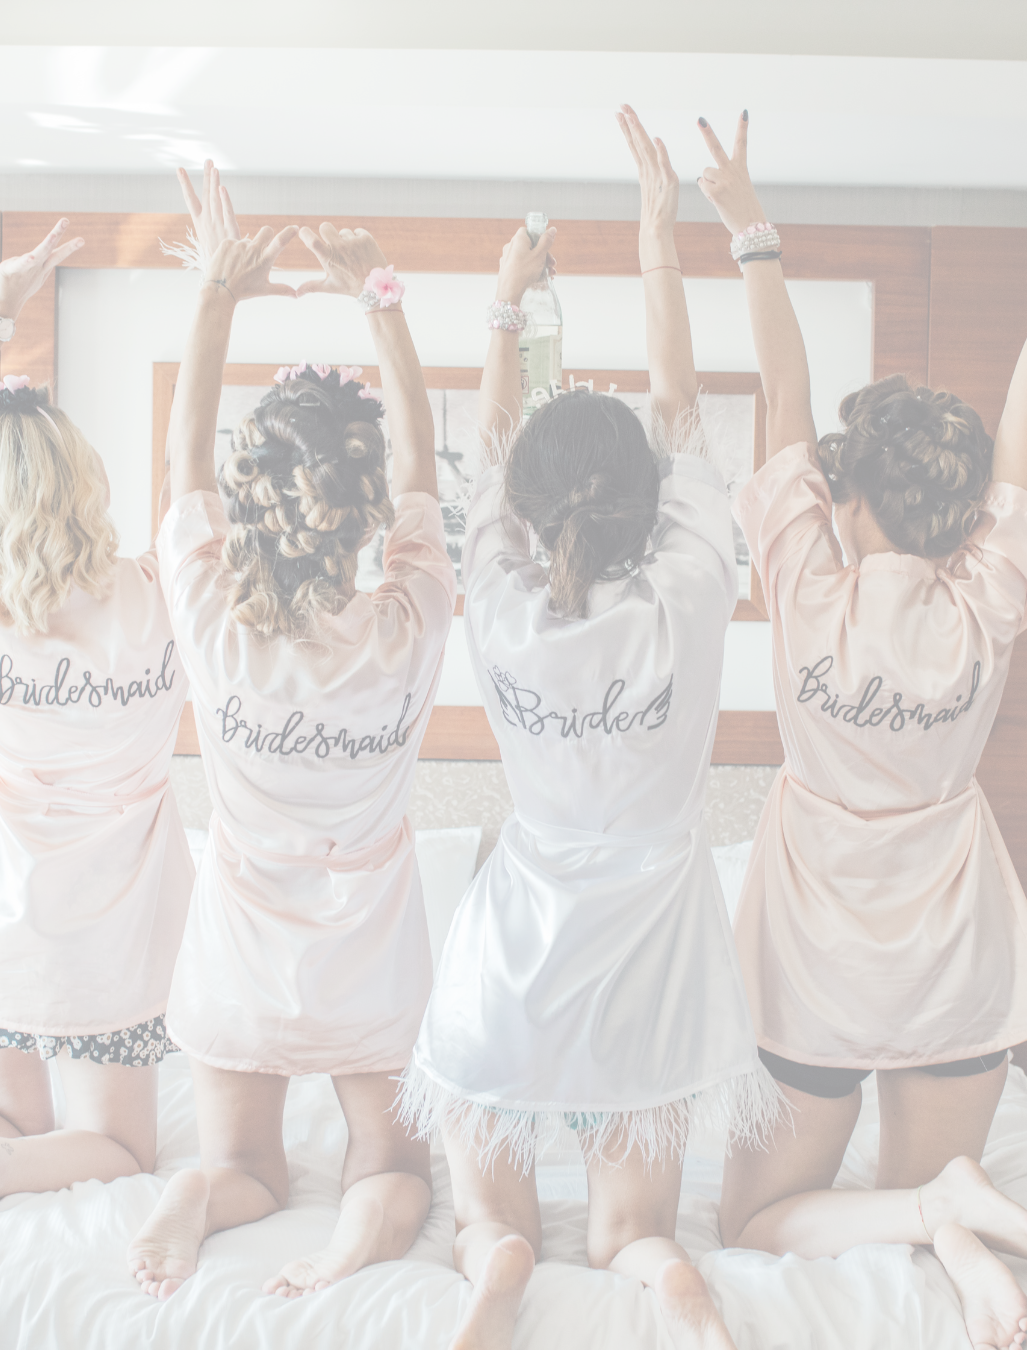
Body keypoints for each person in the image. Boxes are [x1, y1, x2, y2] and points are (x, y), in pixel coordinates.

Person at [398, 108, 778, 1350]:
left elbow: (489, 457)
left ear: (529, 510)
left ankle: (495, 1263)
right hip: (655, 951)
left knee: (482, 1211)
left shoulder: (499, 609)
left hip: (515, 949)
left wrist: (507, 303)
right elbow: (678, 402)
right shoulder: (690, 594)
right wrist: (660, 239)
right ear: (656, 505)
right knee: (632, 1229)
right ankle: (664, 1276)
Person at [696, 111, 1027, 1350]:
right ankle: (960, 1230)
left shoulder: (806, 590)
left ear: (847, 497)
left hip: (814, 972)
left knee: (755, 1221)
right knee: (901, 1189)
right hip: (956, 961)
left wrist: (750, 231)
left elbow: (778, 389)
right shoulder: (990, 596)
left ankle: (933, 1216)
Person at [128, 165, 455, 1301]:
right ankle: (355, 1243)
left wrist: (217, 294)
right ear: (362, 512)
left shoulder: (215, 626)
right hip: (372, 968)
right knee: (397, 1165)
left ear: (252, 497)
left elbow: (178, 471)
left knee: (244, 1166)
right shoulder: (408, 626)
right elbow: (423, 471)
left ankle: (197, 1197)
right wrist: (381, 297)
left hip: (240, 958)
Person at [0, 221, 193, 1219]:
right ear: (84, 480)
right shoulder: (160, 593)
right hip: (112, 929)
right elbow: (193, 469)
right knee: (121, 1146)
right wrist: (211, 296)